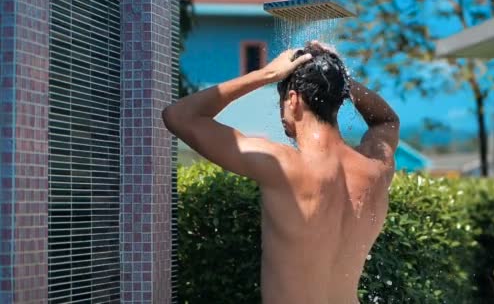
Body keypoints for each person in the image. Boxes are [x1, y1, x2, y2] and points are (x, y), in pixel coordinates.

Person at [163, 41, 400, 304]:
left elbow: (179, 116)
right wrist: (338, 78)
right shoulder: (375, 168)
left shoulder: (283, 165)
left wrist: (266, 74)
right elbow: (386, 120)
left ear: (292, 100)